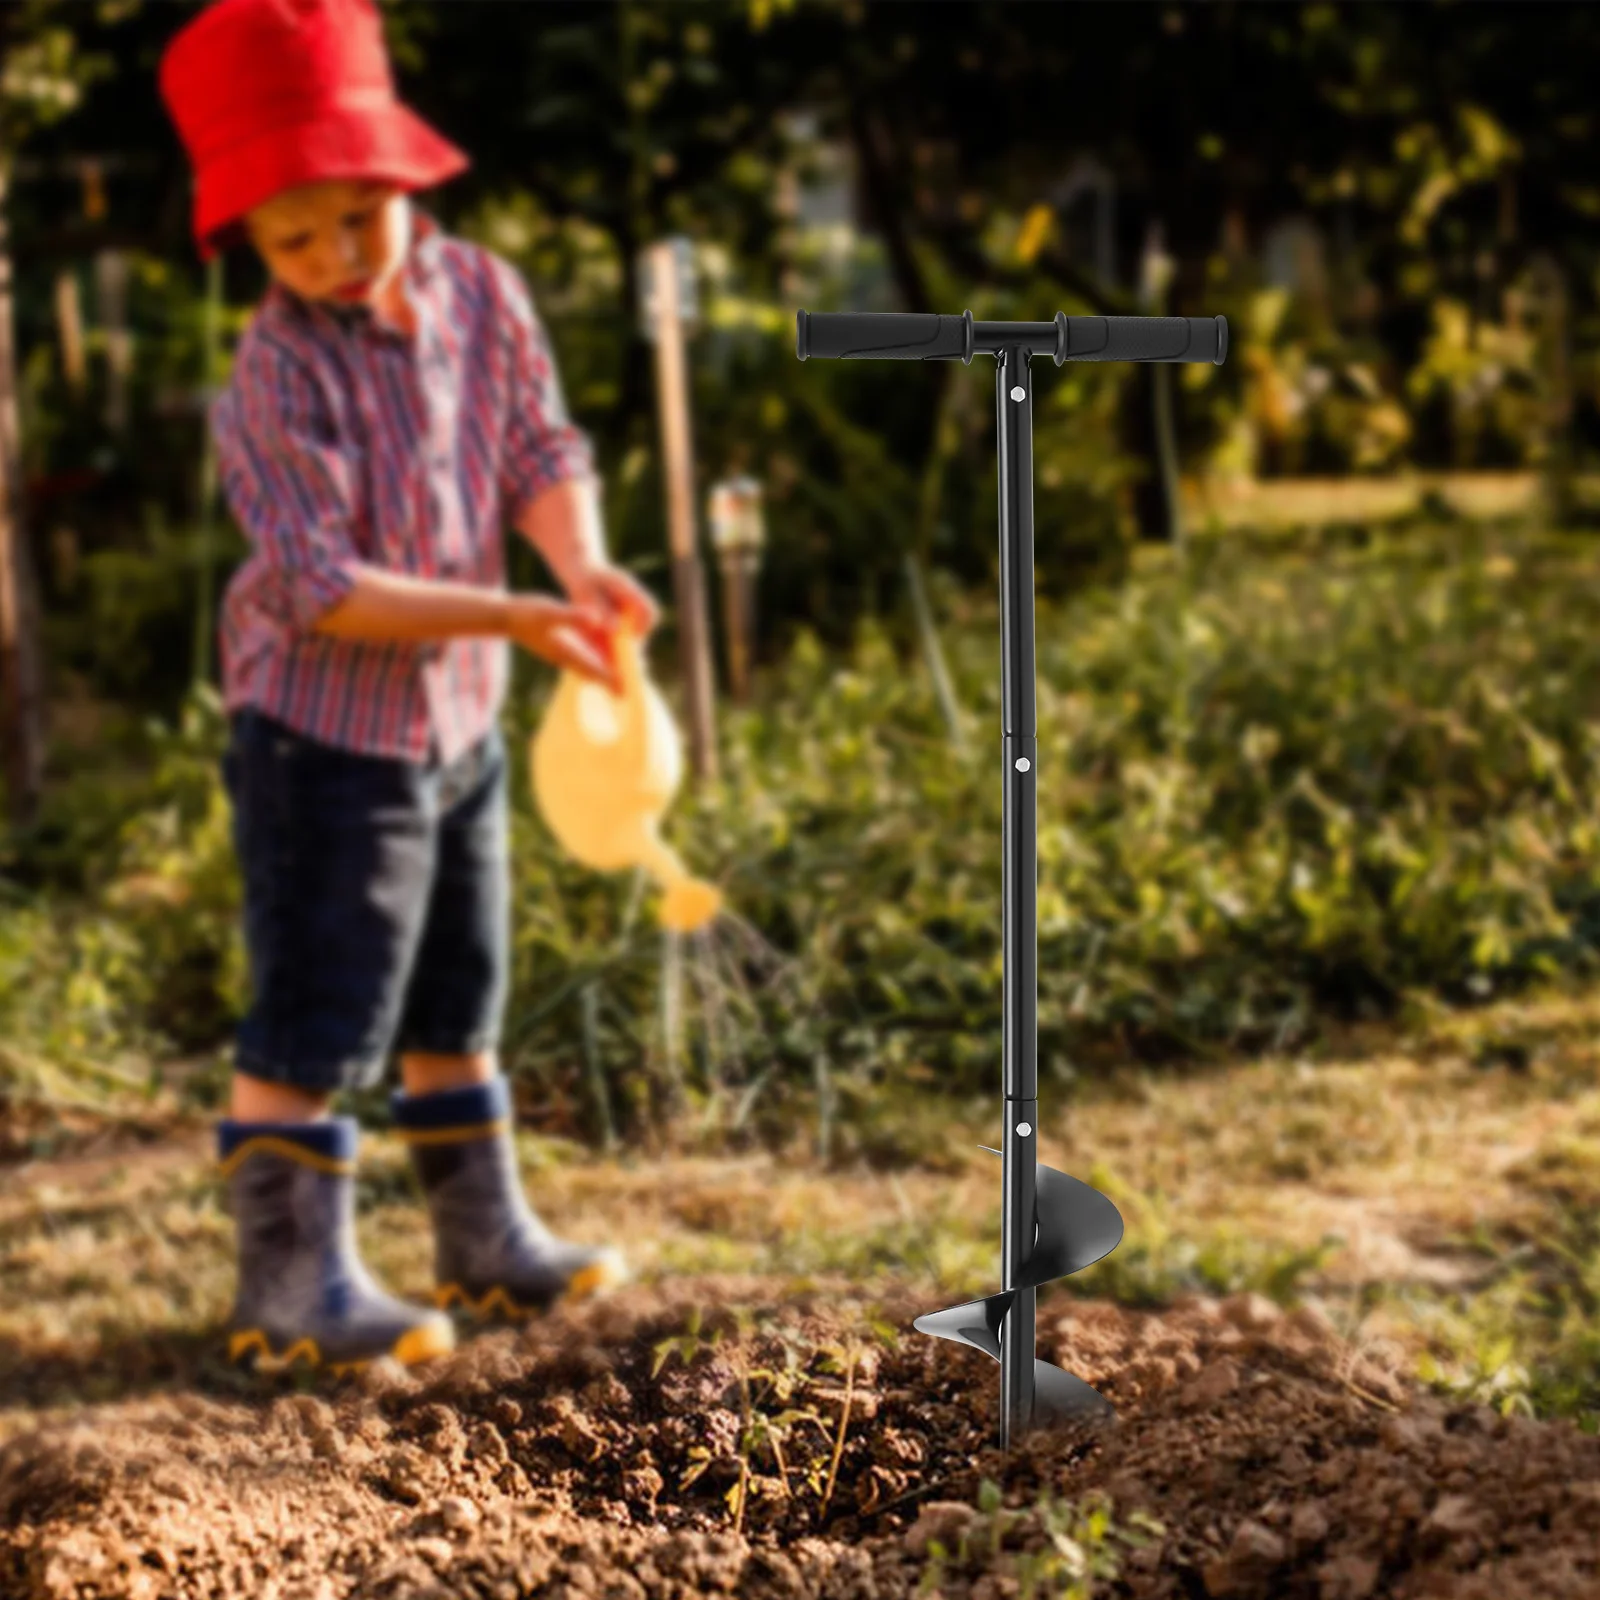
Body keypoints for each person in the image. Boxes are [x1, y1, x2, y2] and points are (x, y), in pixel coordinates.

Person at [158, 0, 658, 1376]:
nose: (329, 258)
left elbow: (534, 448)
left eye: (354, 220)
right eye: (289, 236)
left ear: (405, 183)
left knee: (457, 990)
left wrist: (585, 565)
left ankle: (485, 1243)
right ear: (249, 237)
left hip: (456, 722)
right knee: (322, 1003)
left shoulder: (479, 293)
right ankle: (289, 1278)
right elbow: (327, 589)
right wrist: (516, 609)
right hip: (322, 740)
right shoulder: (269, 379)